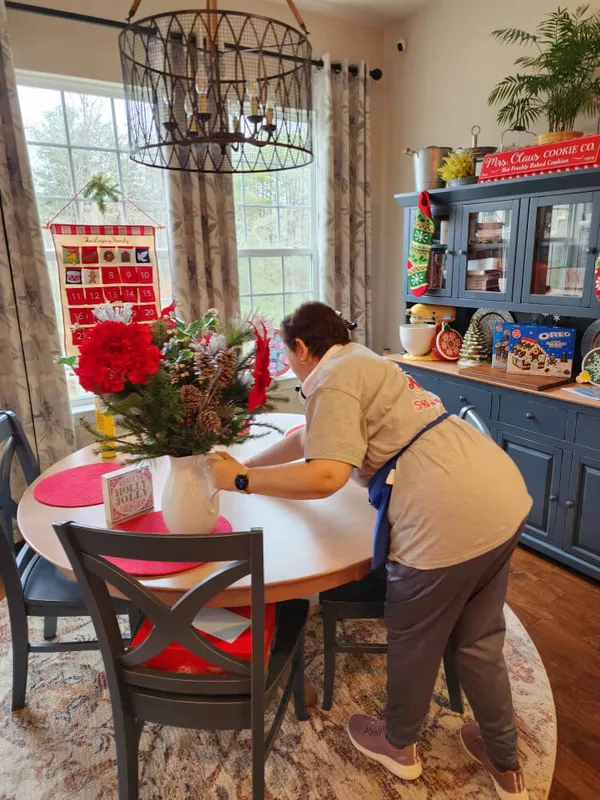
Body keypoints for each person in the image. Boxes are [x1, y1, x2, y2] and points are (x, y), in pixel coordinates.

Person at [211, 301, 532, 800]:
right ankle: (504, 760)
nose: (289, 362)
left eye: (287, 353)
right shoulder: (362, 360)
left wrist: (241, 481)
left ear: (301, 347)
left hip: (444, 515)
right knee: (479, 640)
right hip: (498, 497)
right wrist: (250, 468)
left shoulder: (331, 381)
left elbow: (325, 475)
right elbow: (309, 438)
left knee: (415, 637)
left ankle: (399, 745)